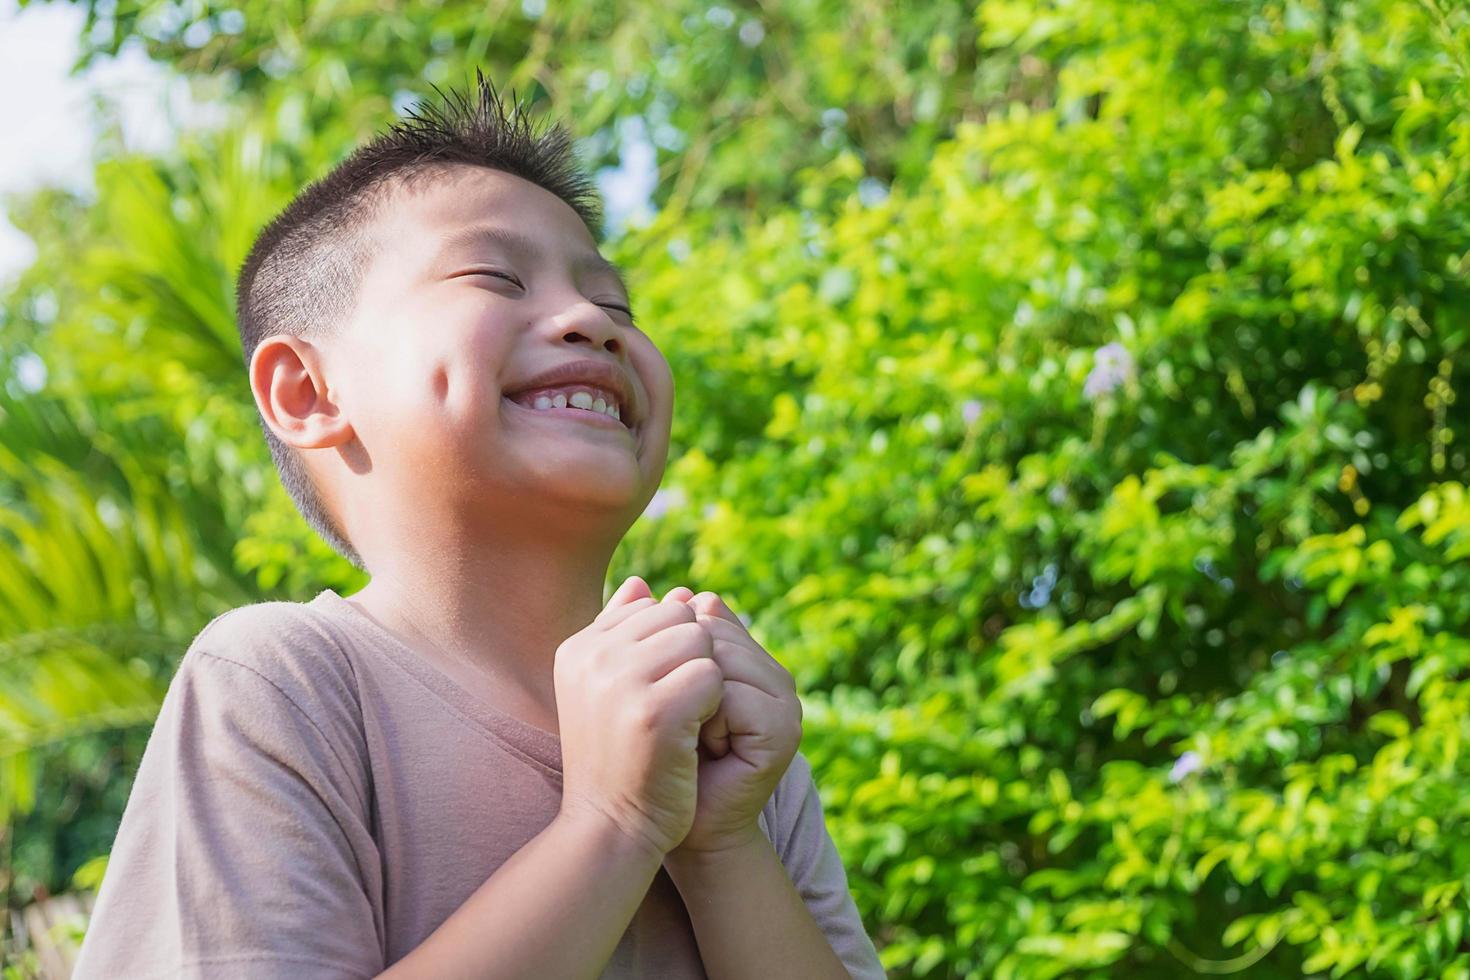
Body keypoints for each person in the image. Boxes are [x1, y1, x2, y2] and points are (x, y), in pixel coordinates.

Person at [72, 68, 886, 979]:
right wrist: (611, 824)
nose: (590, 321)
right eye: (496, 278)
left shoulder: (716, 716)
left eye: (616, 306)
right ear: (308, 392)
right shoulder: (285, 682)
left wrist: (726, 844)